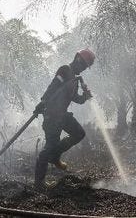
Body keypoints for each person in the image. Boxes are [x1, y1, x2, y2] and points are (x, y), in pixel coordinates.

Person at [33, 49, 96, 189]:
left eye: (86, 67)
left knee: (79, 133)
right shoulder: (65, 70)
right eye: (84, 66)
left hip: (62, 115)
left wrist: (85, 96)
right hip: (52, 116)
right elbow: (53, 86)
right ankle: (38, 183)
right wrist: (43, 102)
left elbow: (76, 99)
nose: (84, 69)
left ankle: (55, 156)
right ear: (77, 60)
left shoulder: (74, 79)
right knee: (49, 146)